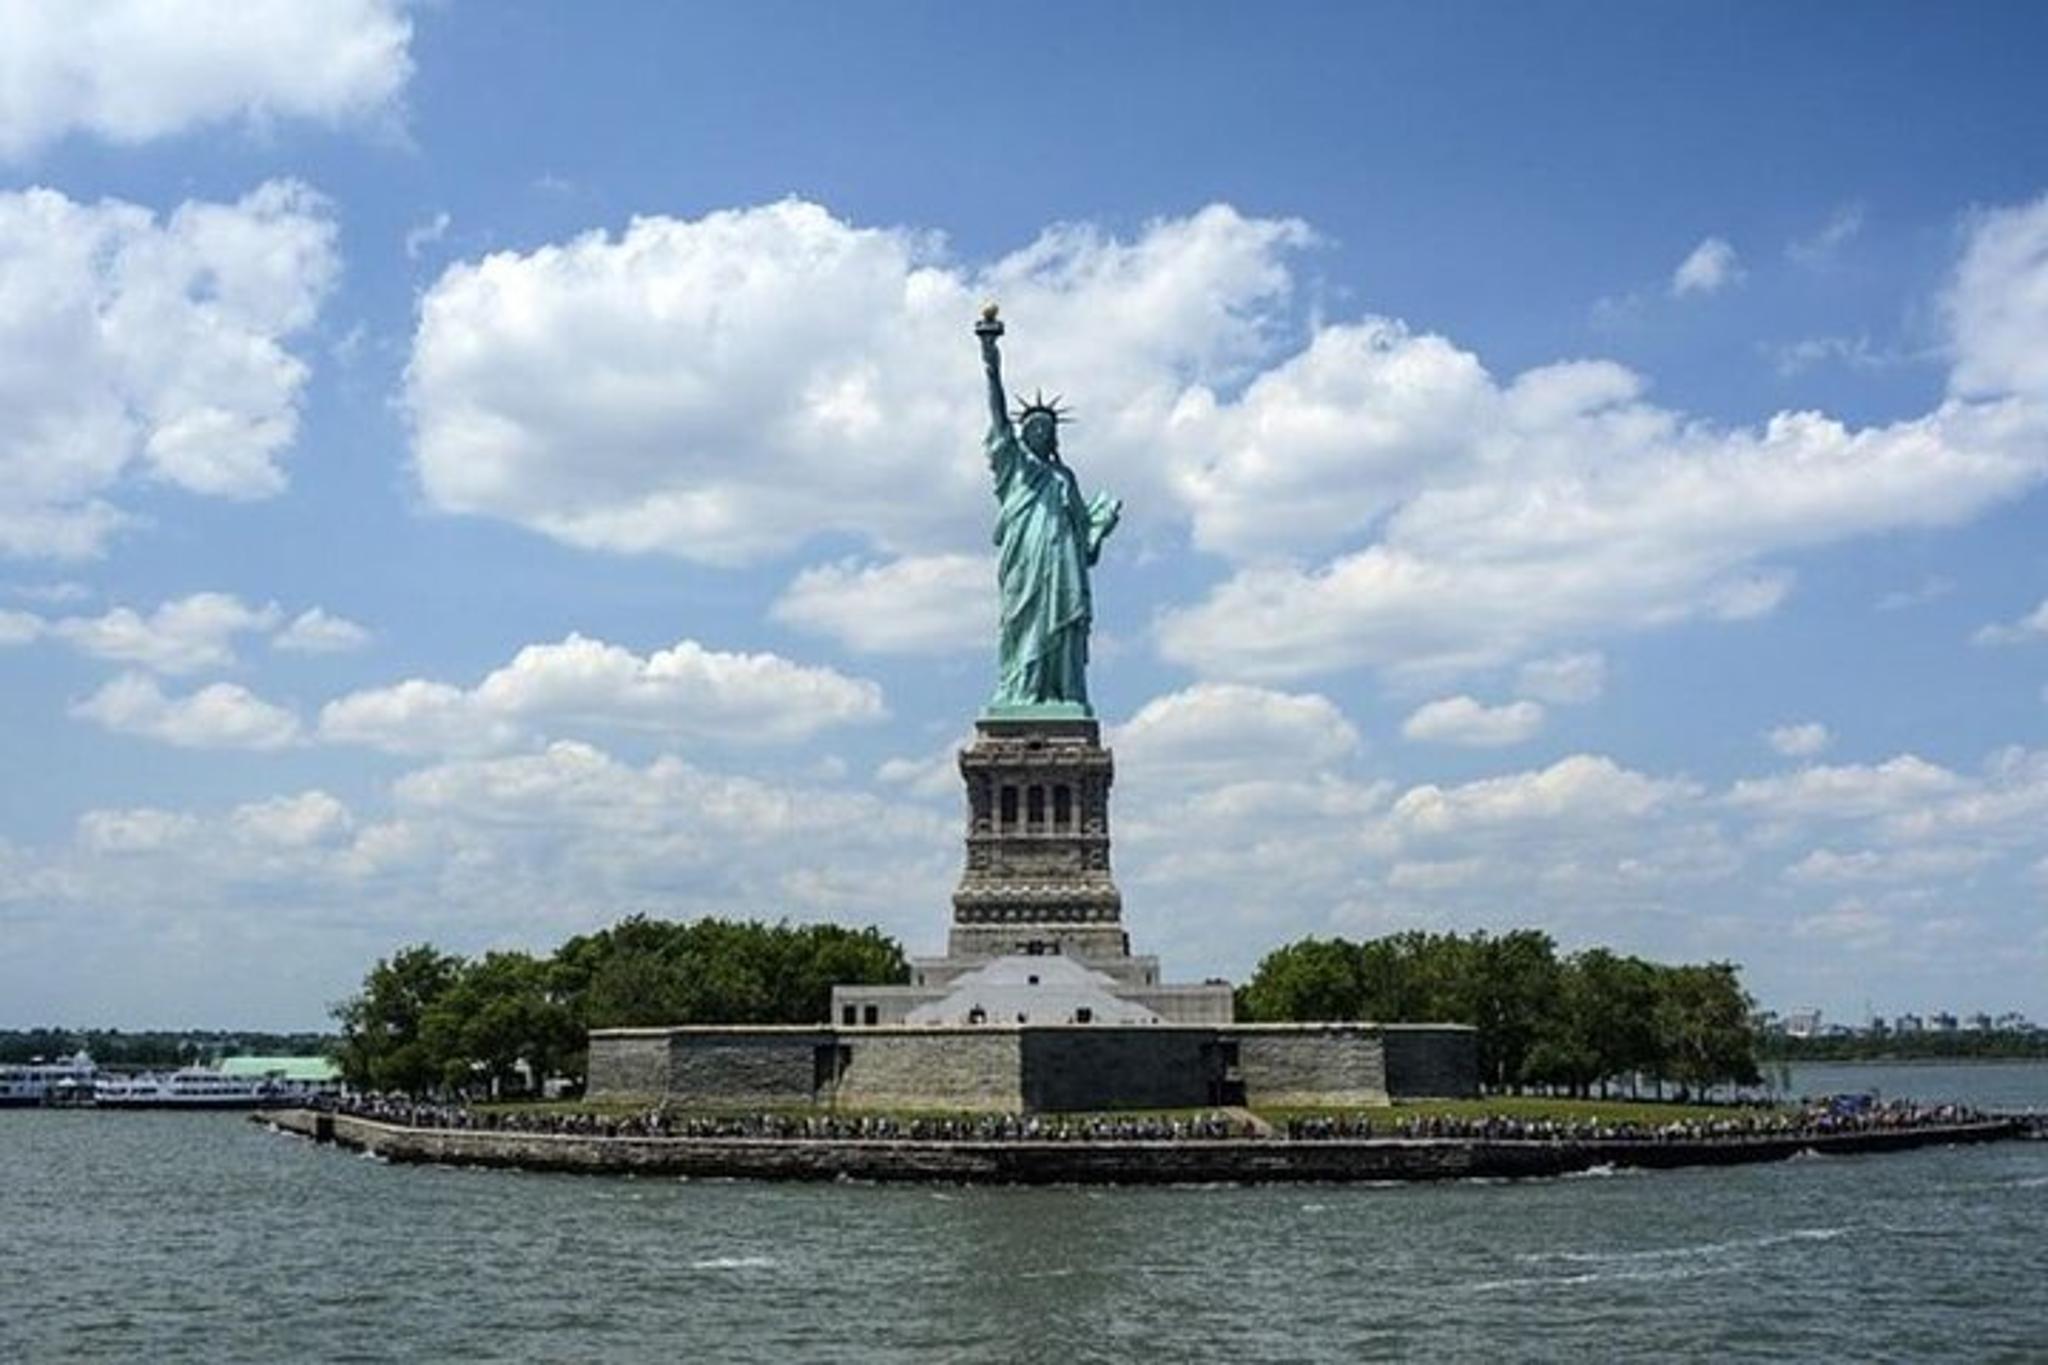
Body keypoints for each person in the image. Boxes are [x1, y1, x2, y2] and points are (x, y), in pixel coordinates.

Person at [975, 304, 1121, 713]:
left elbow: (1084, 541)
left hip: (1062, 564)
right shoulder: (1014, 467)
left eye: (1047, 428)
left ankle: (1061, 694)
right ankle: (1022, 692)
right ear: (1023, 434)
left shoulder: (1064, 478)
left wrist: (1101, 526)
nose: (1039, 431)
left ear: (1054, 435)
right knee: (1022, 625)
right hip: (1024, 563)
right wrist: (990, 357)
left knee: (1062, 627)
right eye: (1032, 427)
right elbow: (998, 413)